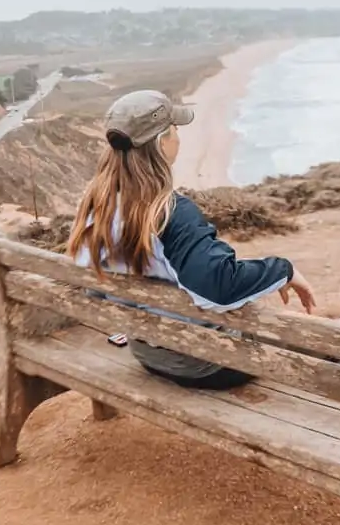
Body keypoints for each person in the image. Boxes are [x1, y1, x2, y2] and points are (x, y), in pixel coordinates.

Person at [67, 90, 317, 389]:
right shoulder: (169, 212)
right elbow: (219, 288)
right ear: (162, 143)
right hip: (203, 362)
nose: (179, 139)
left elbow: (97, 289)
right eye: (175, 131)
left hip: (147, 352)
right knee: (271, 327)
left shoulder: (97, 206)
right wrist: (283, 269)